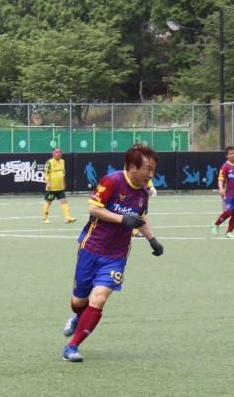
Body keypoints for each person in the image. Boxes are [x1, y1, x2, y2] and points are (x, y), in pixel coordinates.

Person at [61, 144, 164, 362]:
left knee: (98, 299)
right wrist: (122, 219)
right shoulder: (112, 181)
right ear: (132, 167)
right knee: (78, 301)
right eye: (147, 169)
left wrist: (152, 239)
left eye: (153, 170)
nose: (151, 175)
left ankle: (71, 347)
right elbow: (94, 208)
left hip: (116, 256)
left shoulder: (142, 193)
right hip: (91, 248)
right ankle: (79, 317)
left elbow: (141, 216)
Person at [211, 146, 234, 239]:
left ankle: (229, 232)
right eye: (230, 153)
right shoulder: (225, 166)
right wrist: (221, 189)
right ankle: (216, 224)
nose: (233, 155)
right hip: (228, 195)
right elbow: (220, 180)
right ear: (227, 156)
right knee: (228, 212)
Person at [43, 147, 76, 224]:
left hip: (60, 187)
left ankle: (67, 218)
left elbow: (63, 173)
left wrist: (64, 183)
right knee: (49, 202)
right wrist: (48, 183)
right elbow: (46, 174)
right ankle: (45, 218)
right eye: (56, 152)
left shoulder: (62, 161)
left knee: (64, 201)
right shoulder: (49, 162)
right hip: (52, 188)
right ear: (53, 153)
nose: (58, 154)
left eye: (59, 152)